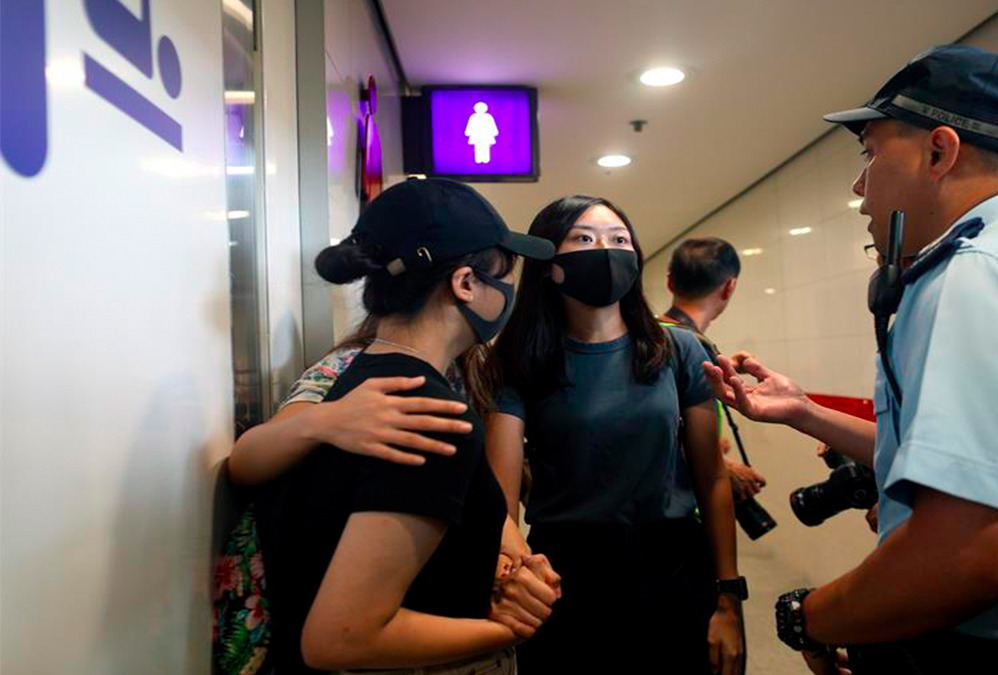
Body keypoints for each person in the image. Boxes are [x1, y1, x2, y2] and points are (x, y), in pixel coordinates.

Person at [707, 46, 998, 674]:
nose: (860, 185)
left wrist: (809, 617)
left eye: (871, 153)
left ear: (939, 151)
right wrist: (805, 412)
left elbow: (975, 554)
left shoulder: (978, 279)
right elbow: (988, 464)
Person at [253, 178, 561, 675]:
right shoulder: (424, 417)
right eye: (503, 274)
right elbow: (340, 638)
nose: (508, 291)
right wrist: (508, 629)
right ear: (465, 284)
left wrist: (510, 565)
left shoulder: (361, 383)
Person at [484, 196, 746, 675]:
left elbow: (711, 479)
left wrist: (729, 596)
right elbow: (499, 502)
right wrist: (509, 579)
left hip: (674, 569)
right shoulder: (518, 360)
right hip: (566, 577)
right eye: (584, 239)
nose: (606, 250)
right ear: (548, 265)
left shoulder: (678, 350)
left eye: (619, 239)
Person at [659, 237, 767, 502]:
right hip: (676, 517)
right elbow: (650, 432)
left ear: (670, 281)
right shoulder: (679, 343)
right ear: (729, 287)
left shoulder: (656, 338)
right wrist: (722, 464)